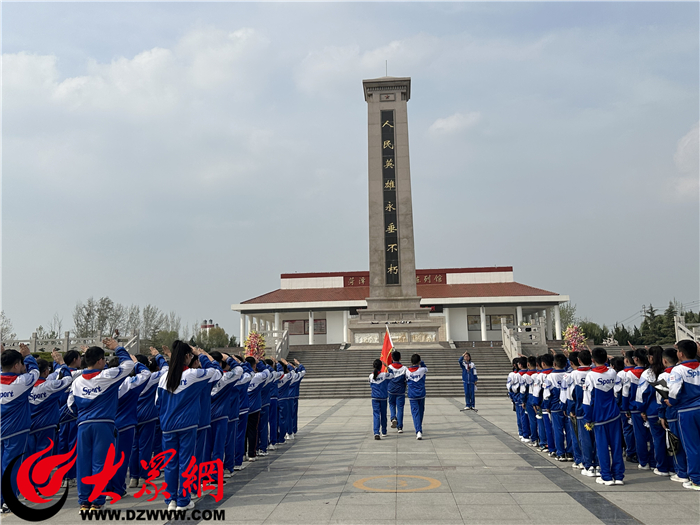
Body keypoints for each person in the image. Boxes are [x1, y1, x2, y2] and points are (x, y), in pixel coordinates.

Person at [68, 338, 135, 513]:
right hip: (103, 425)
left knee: (83, 463)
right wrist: (118, 348)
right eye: (104, 360)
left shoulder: (77, 381)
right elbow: (128, 365)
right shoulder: (108, 375)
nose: (105, 363)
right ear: (99, 361)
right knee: (101, 464)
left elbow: (70, 405)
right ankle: (97, 502)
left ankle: (84, 502)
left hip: (83, 425)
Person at [156, 341, 221, 511]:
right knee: (186, 462)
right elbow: (217, 372)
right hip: (187, 425)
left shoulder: (164, 377)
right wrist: (200, 355)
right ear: (187, 356)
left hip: (168, 427)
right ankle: (183, 500)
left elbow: (158, 404)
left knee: (170, 463)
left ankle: (170, 500)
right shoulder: (193, 375)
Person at [1, 344, 40, 514]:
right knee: (12, 467)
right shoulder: (22, 382)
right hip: (16, 431)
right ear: (17, 365)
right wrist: (29, 356)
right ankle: (8, 501)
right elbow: (35, 372)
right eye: (21, 364)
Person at [108, 354, 151, 498]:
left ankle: (107, 489)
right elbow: (146, 374)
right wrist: (136, 362)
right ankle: (118, 489)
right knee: (121, 459)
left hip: (107, 425)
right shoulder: (129, 382)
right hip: (125, 425)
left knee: (106, 459)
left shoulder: (104, 382)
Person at [583, 347, 625, 486]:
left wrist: (587, 417)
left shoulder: (591, 375)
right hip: (613, 414)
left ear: (592, 360)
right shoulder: (613, 372)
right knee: (616, 446)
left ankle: (606, 476)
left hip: (599, 415)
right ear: (606, 359)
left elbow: (587, 399)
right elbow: (618, 390)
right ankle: (618, 476)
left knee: (602, 447)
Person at [128, 348, 169, 489]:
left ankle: (133, 477)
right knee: (145, 448)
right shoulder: (151, 378)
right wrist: (158, 355)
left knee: (133, 448)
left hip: (132, 416)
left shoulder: (128, 380)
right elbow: (166, 369)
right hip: (148, 416)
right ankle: (144, 477)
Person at [666, 339, 700, 491]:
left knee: (691, 446)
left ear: (680, 354)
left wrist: (671, 401)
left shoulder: (678, 370)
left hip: (687, 411)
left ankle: (696, 479)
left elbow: (674, 391)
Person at [27, 358, 75, 457]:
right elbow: (68, 379)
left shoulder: (24, 387)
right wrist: (62, 364)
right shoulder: (51, 385)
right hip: (47, 426)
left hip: (28, 427)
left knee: (29, 460)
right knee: (44, 459)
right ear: (46, 372)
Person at [636, 346, 671, 476]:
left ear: (650, 358)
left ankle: (660, 466)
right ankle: (673, 467)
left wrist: (642, 410)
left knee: (658, 440)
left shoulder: (647, 374)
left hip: (652, 410)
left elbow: (641, 395)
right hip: (669, 409)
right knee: (671, 438)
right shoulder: (668, 372)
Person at [209, 352, 242, 477]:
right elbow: (239, 370)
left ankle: (205, 475)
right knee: (220, 445)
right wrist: (229, 358)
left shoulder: (200, 376)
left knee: (206, 447)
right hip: (222, 414)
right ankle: (218, 473)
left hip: (204, 417)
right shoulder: (226, 378)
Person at [657, 348, 688, 483]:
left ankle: (681, 472)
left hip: (672, 412)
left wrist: (661, 415)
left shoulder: (663, 376)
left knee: (676, 443)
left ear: (664, 361)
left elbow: (661, 398)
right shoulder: (684, 370)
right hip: (686, 409)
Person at [623, 349, 655, 470]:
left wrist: (626, 408)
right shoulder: (650, 372)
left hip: (635, 408)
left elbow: (625, 393)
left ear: (635, 359)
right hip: (649, 407)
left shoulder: (629, 374)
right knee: (652, 436)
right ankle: (653, 460)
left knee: (640, 436)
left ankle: (643, 462)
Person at [55, 349, 82, 488]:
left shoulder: (58, 373)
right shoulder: (76, 374)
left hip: (60, 415)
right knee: (72, 446)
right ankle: (70, 476)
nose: (81, 360)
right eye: (79, 358)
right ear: (74, 360)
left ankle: (62, 475)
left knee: (62, 446)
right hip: (71, 415)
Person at [245, 358, 270, 462]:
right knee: (252, 432)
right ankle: (252, 453)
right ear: (254, 366)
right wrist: (259, 362)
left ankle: (242, 454)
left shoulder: (241, 377)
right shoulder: (258, 377)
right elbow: (267, 372)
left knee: (243, 433)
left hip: (242, 409)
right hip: (254, 409)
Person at [369, 358, 396, 439]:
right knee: (383, 415)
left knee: (376, 415)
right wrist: (388, 367)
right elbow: (392, 375)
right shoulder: (384, 375)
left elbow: (371, 385)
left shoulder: (371, 376)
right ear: (381, 366)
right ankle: (384, 431)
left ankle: (376, 432)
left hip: (374, 398)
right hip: (383, 398)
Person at [618, 351, 637, 463]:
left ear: (626, 360)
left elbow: (618, 392)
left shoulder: (621, 374)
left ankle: (630, 451)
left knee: (627, 430)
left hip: (625, 407)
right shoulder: (644, 372)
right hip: (639, 406)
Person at [405, 354, 428, 440]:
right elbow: (426, 368)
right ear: (419, 361)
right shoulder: (422, 370)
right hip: (421, 394)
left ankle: (418, 429)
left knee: (416, 412)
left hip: (412, 394)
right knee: (421, 411)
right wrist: (421, 362)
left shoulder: (407, 371)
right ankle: (419, 429)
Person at [387, 351, 407, 433]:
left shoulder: (389, 367)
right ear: (400, 358)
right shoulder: (404, 368)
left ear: (392, 358)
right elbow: (406, 379)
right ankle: (400, 427)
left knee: (392, 404)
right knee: (400, 408)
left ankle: (393, 417)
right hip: (401, 391)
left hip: (391, 389)